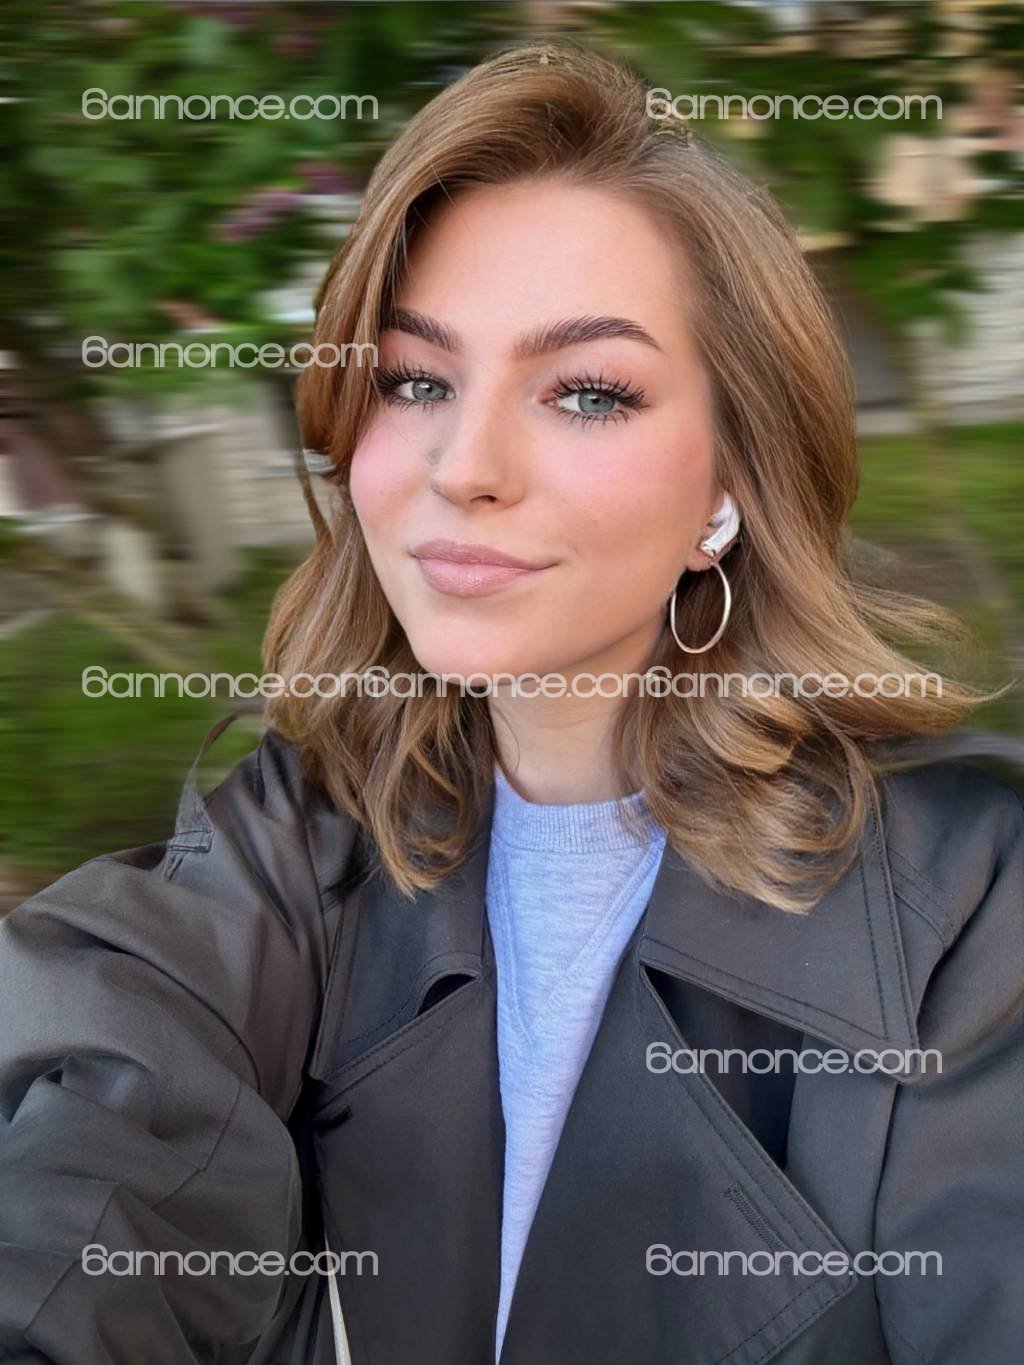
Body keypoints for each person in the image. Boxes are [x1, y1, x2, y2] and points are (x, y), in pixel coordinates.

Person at [1, 42, 1021, 1365]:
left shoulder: (970, 905)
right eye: (416, 381)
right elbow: (108, 1109)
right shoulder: (297, 834)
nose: (463, 466)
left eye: (586, 392)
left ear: (727, 488)